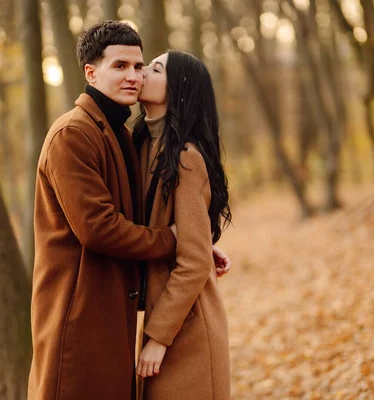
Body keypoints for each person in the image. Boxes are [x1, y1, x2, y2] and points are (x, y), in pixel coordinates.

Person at [28, 22, 230, 400]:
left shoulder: (129, 137)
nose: (135, 76)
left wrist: (195, 242)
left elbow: (145, 218)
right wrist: (175, 240)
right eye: (121, 66)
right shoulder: (76, 134)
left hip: (154, 323)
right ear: (91, 72)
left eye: (143, 67)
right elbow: (100, 227)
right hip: (79, 313)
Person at [134, 51, 232, 400]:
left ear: (177, 90)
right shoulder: (142, 144)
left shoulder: (185, 158)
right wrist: (196, 240)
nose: (142, 71)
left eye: (155, 68)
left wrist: (158, 339)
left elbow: (193, 263)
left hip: (185, 334)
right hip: (162, 323)